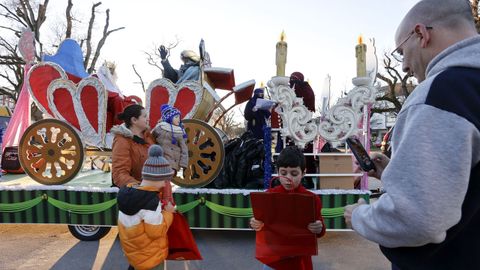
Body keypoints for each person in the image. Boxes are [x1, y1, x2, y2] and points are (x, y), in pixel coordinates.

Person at [344, 1, 480, 269]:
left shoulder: (442, 93)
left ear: (421, 33)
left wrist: (360, 216)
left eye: (402, 52)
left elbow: (418, 220)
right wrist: (395, 173)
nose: (405, 66)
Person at [250, 146, 326, 270]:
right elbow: (260, 221)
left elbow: (320, 229)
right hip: (273, 260)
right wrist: (254, 223)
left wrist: (319, 227)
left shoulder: (311, 199)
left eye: (294, 173)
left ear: (304, 173)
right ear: (278, 172)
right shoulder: (270, 195)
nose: (288, 178)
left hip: (300, 261)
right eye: (283, 173)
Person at [117, 144, 175, 270]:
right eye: (165, 180)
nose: (165, 185)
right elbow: (156, 232)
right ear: (157, 178)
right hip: (151, 258)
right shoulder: (150, 202)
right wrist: (169, 213)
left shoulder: (128, 193)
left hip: (135, 256)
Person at [111, 104, 155, 187]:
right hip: (136, 192)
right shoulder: (122, 141)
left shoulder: (149, 137)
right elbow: (120, 173)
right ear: (134, 120)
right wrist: (139, 187)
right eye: (145, 116)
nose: (148, 119)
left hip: (153, 188)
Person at [152, 104, 188, 173]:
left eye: (179, 117)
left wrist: (183, 164)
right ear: (169, 118)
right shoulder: (159, 128)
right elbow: (152, 139)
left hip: (173, 163)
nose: (179, 119)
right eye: (176, 117)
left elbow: (184, 148)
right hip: (159, 159)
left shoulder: (180, 132)